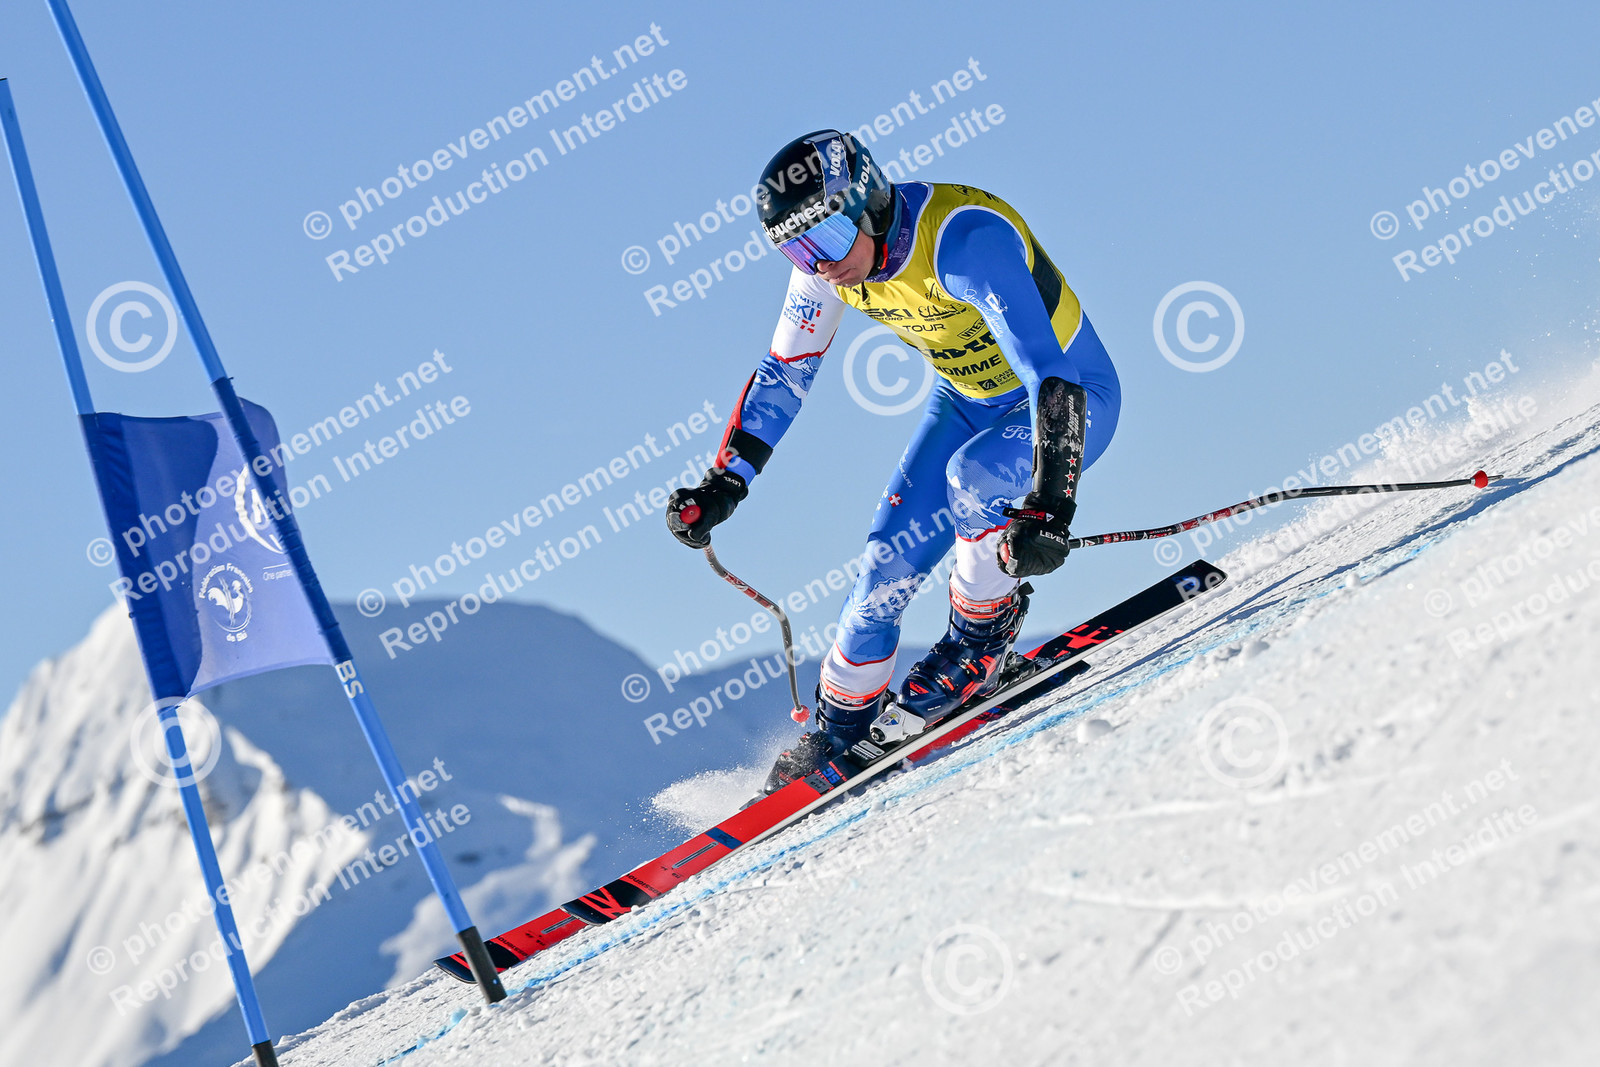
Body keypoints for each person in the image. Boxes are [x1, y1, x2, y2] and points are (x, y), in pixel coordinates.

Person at [666, 129, 1121, 794]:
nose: (817, 265)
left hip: (1068, 401)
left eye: (823, 240)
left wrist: (1052, 503)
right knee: (882, 569)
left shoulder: (965, 242)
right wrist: (725, 482)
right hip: (967, 404)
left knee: (973, 480)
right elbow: (785, 374)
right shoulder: (828, 269)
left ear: (870, 204)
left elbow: (1050, 376)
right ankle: (841, 725)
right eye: (795, 249)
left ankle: (978, 648)